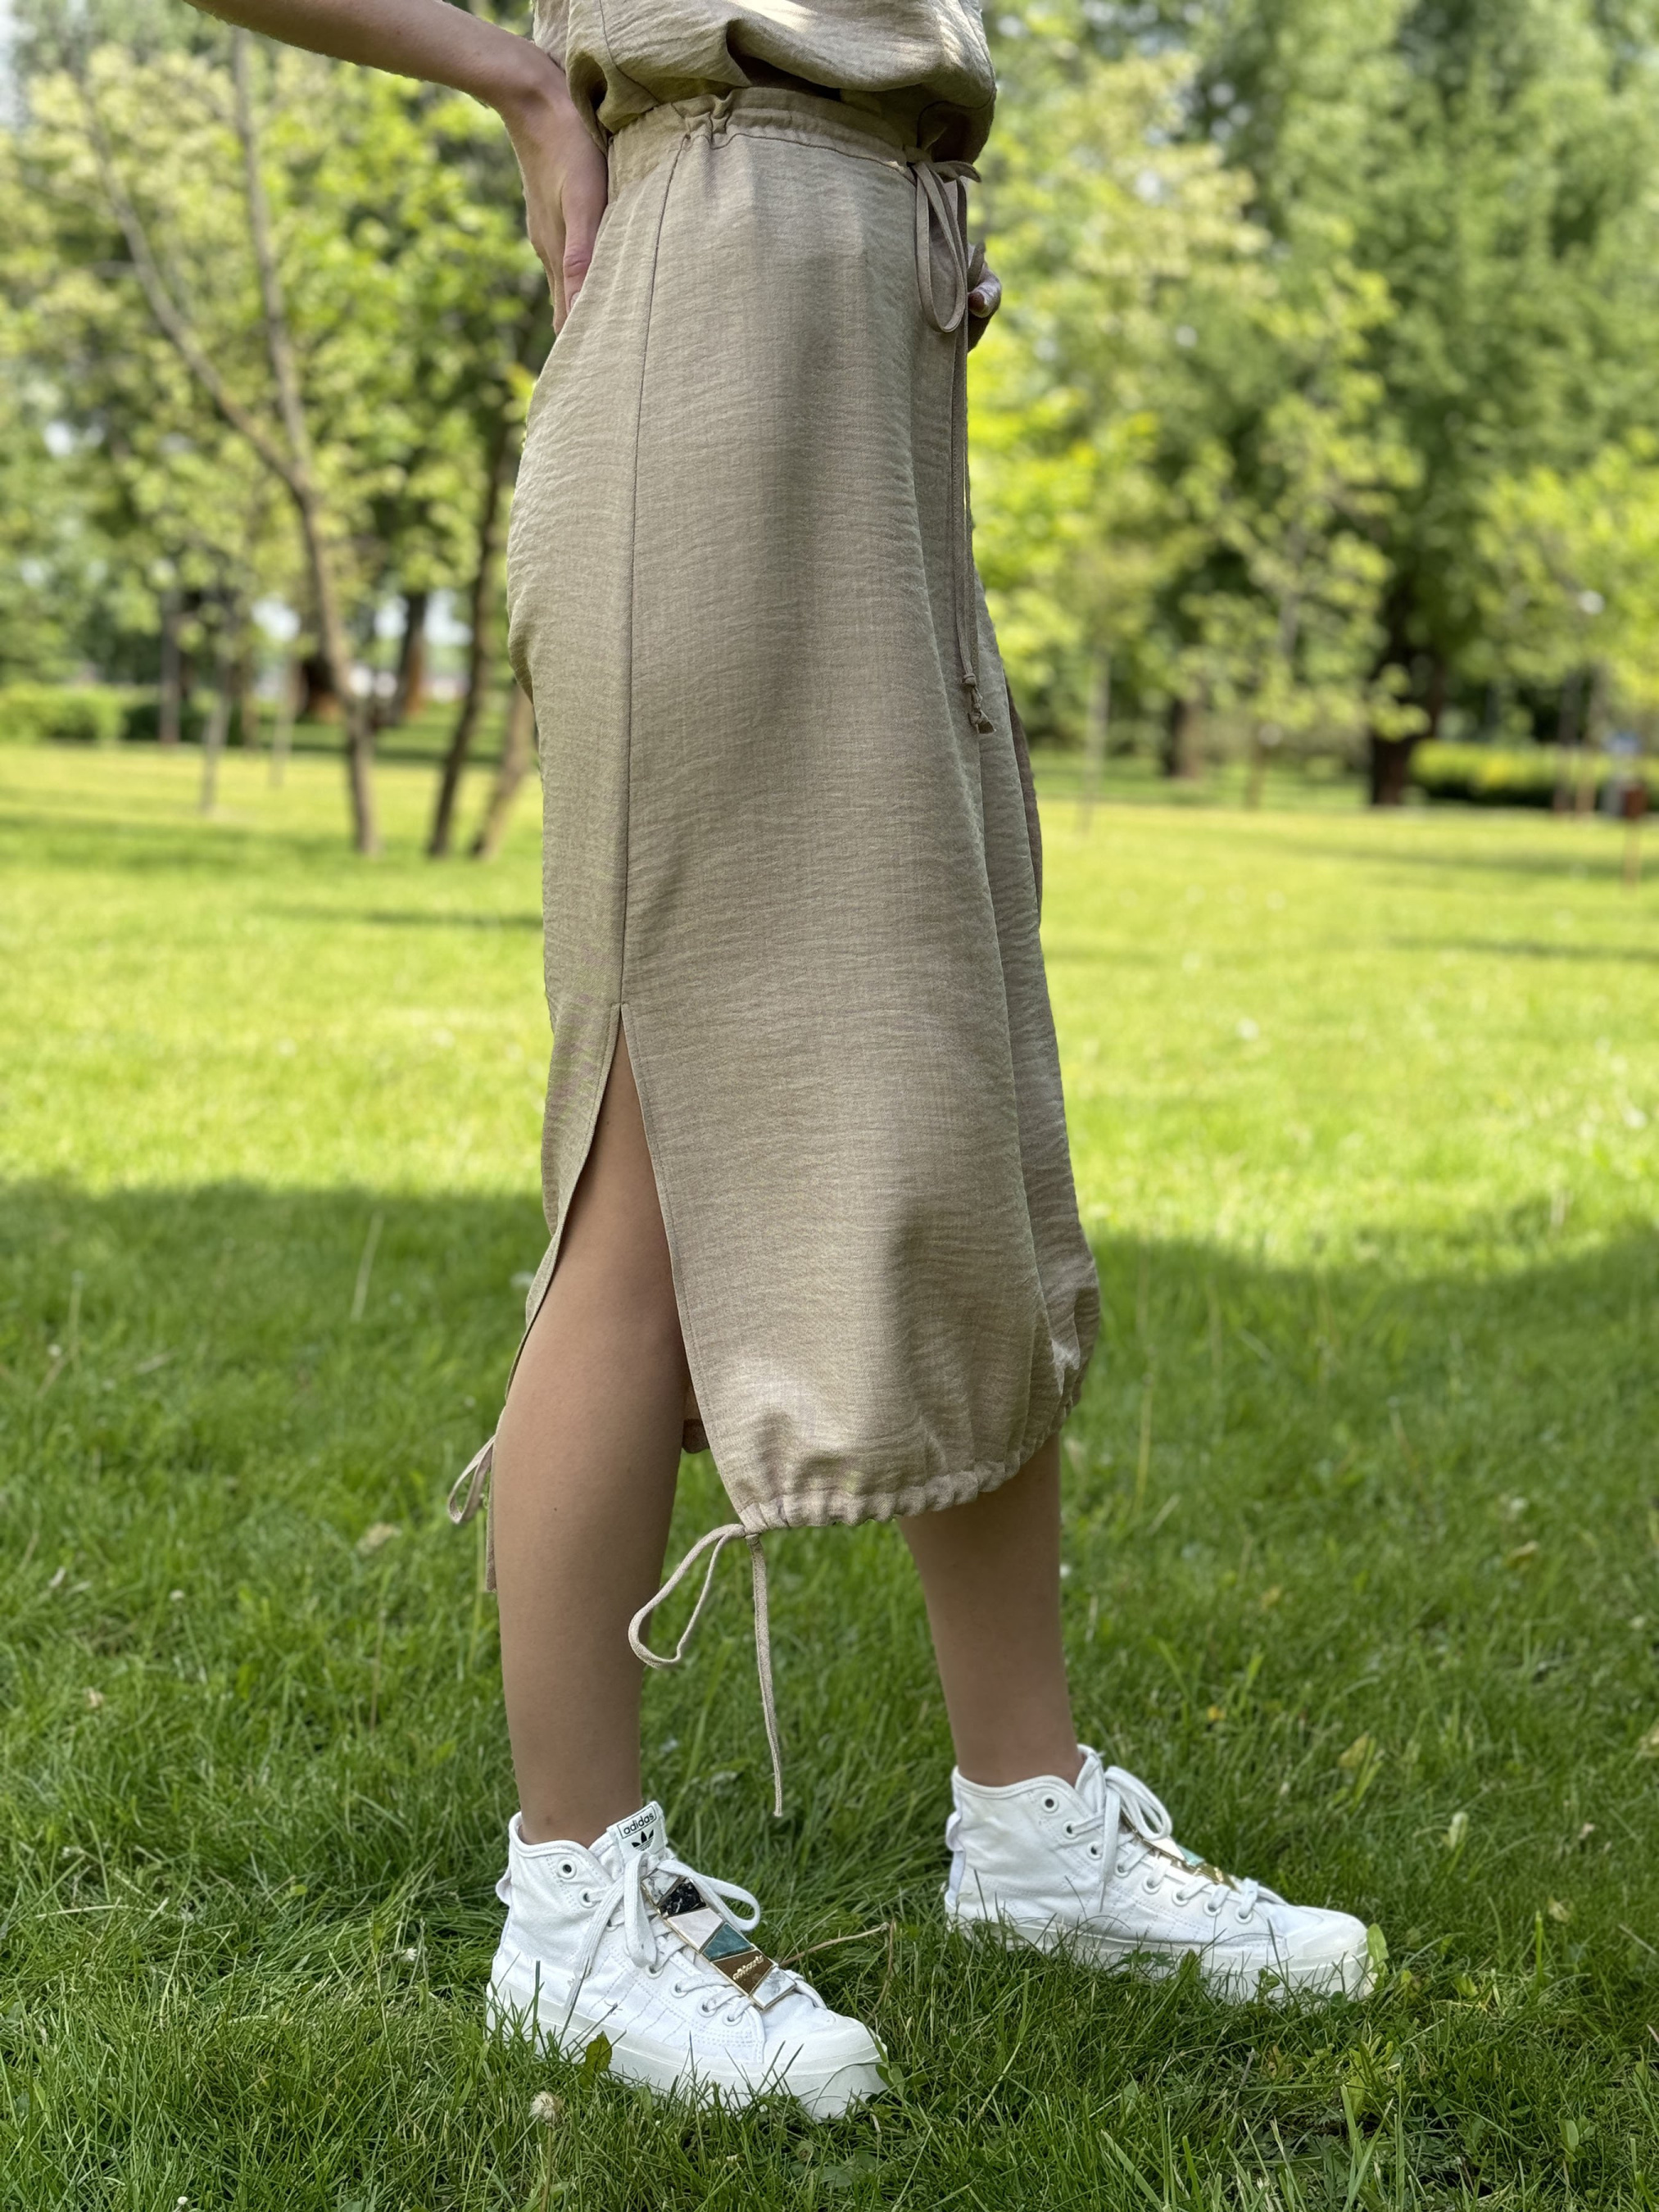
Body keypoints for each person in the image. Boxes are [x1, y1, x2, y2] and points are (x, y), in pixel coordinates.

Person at [192, 0, 1374, 2118]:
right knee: (668, 1161)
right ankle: (570, 1903)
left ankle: (1031, 1826)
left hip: (865, 322)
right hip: (717, 319)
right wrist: (520, 84)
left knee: (951, 1122)